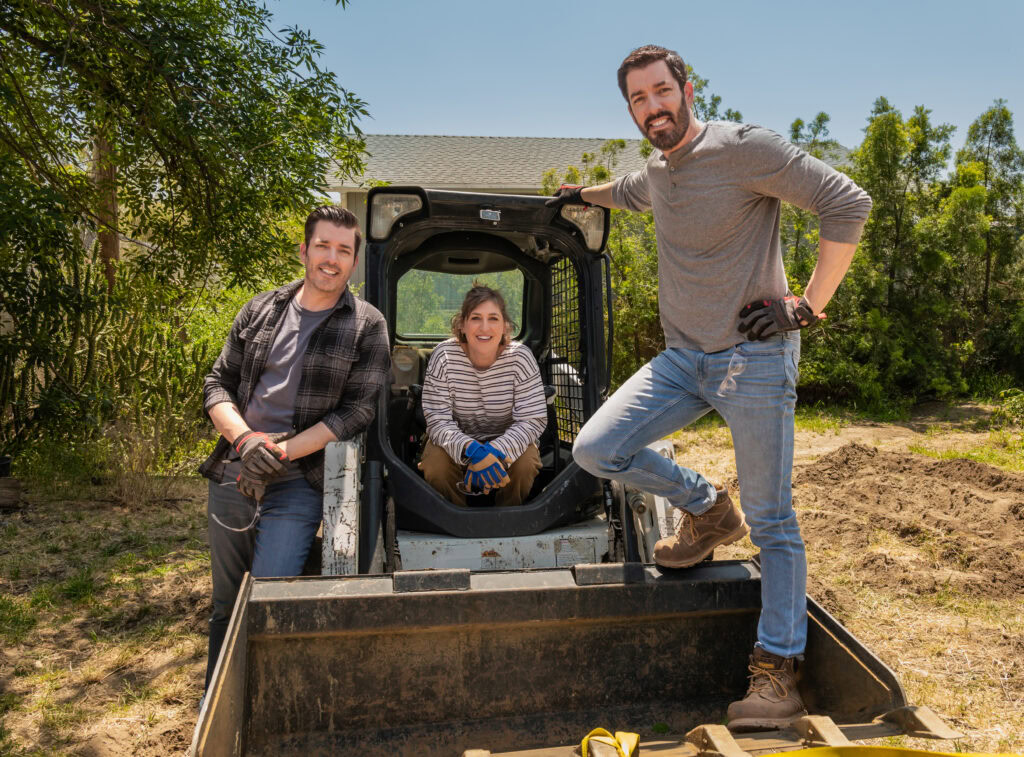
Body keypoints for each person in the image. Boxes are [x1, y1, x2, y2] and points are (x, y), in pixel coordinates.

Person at [549, 45, 872, 731]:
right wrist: (581, 197)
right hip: (682, 360)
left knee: (774, 518)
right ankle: (706, 509)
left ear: (687, 89)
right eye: (638, 99)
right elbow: (628, 191)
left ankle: (777, 670)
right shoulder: (659, 173)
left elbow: (847, 202)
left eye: (661, 91)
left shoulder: (745, 148)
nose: (652, 108)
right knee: (596, 449)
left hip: (753, 361)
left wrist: (808, 304)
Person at [198, 206, 390, 692]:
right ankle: (217, 706)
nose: (332, 258)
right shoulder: (260, 309)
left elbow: (356, 412)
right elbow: (217, 384)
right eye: (323, 246)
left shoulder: (367, 325)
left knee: (269, 600)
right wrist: (244, 441)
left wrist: (279, 453)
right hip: (233, 471)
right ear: (304, 249)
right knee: (225, 604)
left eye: (343, 251)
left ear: (354, 261)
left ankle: (262, 704)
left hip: (297, 481)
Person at [419, 284, 546, 507]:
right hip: (458, 443)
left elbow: (532, 420)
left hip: (508, 441)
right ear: (462, 324)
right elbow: (437, 420)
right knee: (435, 465)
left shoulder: (520, 359)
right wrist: (474, 451)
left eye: (493, 318)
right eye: (476, 318)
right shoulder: (444, 356)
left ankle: (507, 518)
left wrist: (494, 452)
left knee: (526, 462)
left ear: (506, 326)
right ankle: (455, 520)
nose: (484, 327)